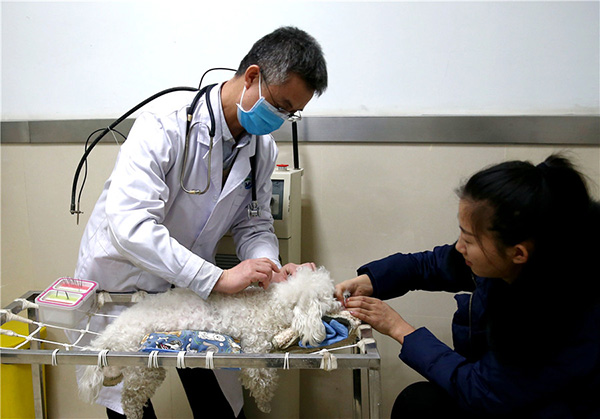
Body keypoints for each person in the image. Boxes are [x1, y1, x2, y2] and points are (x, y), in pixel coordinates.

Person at [73, 26, 327, 418]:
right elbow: (129, 225)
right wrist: (217, 279)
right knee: (129, 399)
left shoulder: (263, 147)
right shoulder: (165, 123)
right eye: (280, 104)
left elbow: (254, 223)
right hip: (126, 280)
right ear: (253, 76)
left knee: (219, 402)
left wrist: (269, 270)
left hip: (191, 292)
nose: (280, 118)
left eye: (291, 113)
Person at [335, 154, 600, 418]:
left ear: (518, 253)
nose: (459, 247)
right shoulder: (525, 256)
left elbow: (483, 391)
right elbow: (434, 265)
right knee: (419, 401)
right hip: (504, 394)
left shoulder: (559, 313)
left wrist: (399, 329)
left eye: (469, 239)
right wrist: (371, 280)